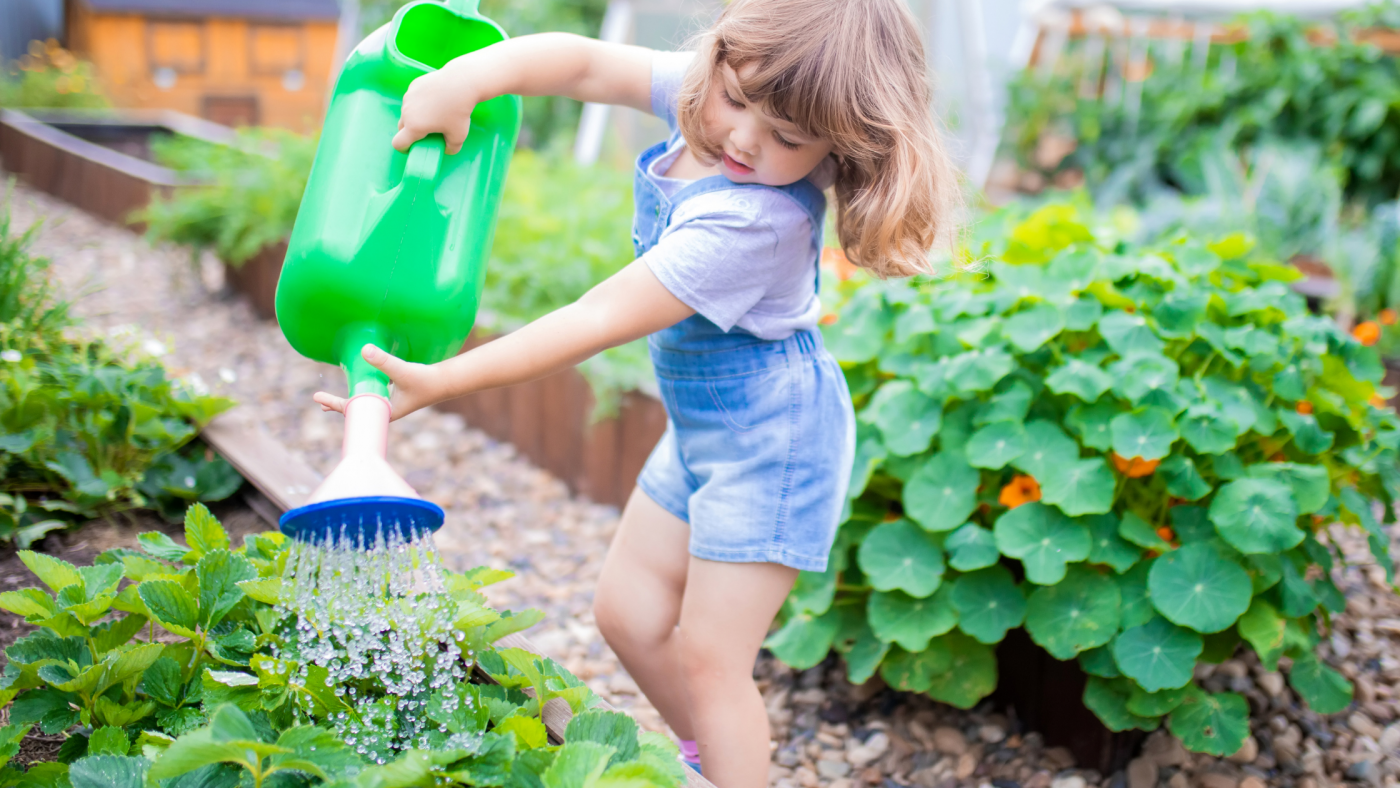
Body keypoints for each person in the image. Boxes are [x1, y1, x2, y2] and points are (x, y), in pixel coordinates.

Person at [314, 0, 959, 784]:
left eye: (788, 137)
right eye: (735, 100)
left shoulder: (755, 223)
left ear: (837, 146)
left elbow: (596, 318)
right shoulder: (712, 99)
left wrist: (444, 378)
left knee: (711, 655)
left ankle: (732, 769)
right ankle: (710, 758)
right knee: (625, 613)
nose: (743, 138)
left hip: (774, 446)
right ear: (722, 58)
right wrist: (469, 79)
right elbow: (583, 63)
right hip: (702, 430)